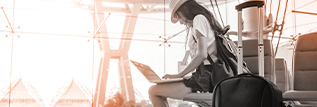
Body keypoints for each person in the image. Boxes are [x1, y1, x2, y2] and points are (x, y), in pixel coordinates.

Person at [148, 0, 225, 107]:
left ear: (185, 10)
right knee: (156, 90)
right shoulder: (203, 20)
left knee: (153, 91)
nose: (180, 21)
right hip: (208, 76)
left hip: (206, 78)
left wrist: (180, 75)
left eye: (178, 16)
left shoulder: (199, 19)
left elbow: (202, 54)